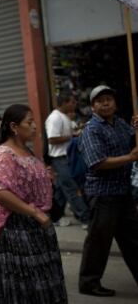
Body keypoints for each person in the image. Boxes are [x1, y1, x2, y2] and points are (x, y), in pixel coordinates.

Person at [0, 104, 67, 304]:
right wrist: (34, 212)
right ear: (14, 126)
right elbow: (1, 192)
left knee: (45, 280)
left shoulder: (26, 150)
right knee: (28, 287)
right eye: (29, 122)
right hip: (17, 230)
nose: (34, 127)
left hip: (37, 227)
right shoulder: (5, 154)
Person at [78, 85, 138, 297]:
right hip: (103, 194)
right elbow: (97, 162)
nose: (105, 103)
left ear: (115, 103)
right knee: (99, 241)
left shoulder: (120, 123)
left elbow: (133, 140)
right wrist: (129, 158)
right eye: (100, 100)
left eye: (109, 99)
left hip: (123, 191)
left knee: (133, 238)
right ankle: (89, 282)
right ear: (93, 106)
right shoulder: (91, 129)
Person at [45, 92, 90, 228]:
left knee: (61, 189)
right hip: (60, 158)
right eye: (72, 102)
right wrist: (72, 136)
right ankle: (85, 218)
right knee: (71, 187)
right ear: (64, 103)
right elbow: (52, 139)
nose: (74, 104)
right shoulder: (55, 118)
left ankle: (55, 216)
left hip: (68, 156)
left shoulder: (64, 117)